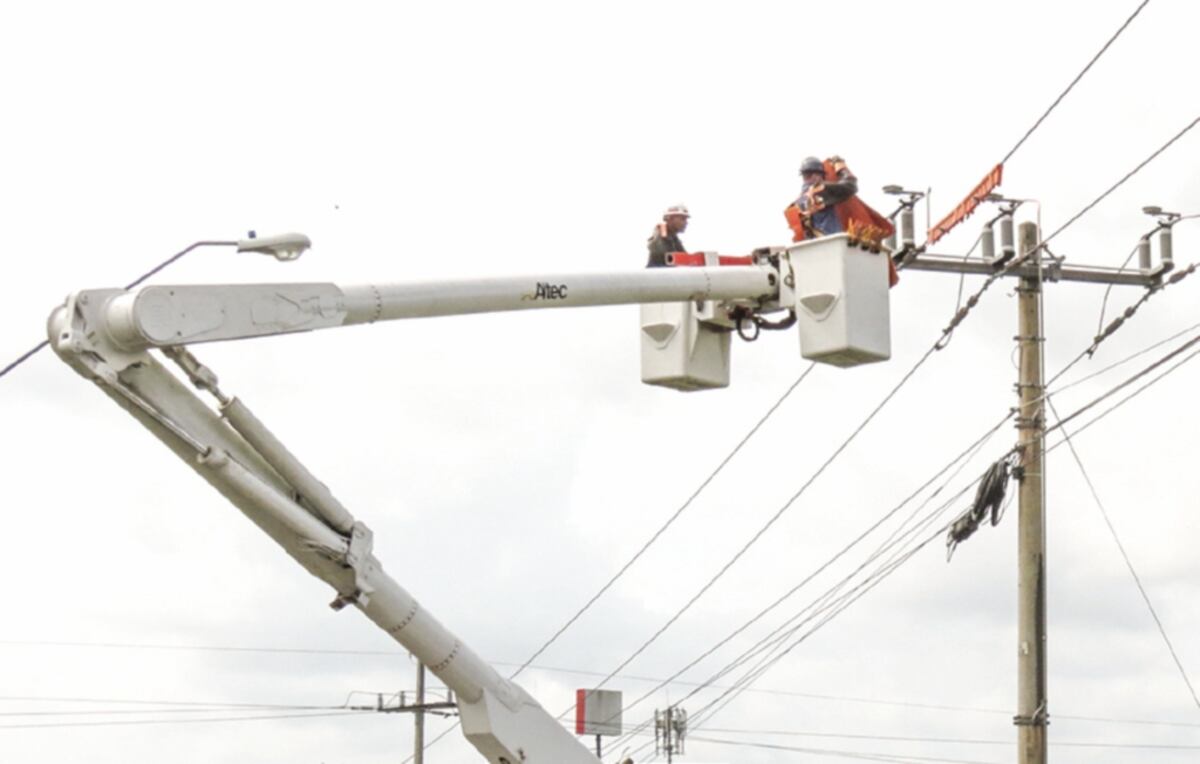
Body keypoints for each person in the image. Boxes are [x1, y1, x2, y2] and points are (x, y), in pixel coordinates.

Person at [785, 156, 898, 285]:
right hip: (834, 247)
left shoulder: (799, 202)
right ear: (819, 175)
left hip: (815, 254)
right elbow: (850, 186)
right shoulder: (821, 190)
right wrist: (841, 168)